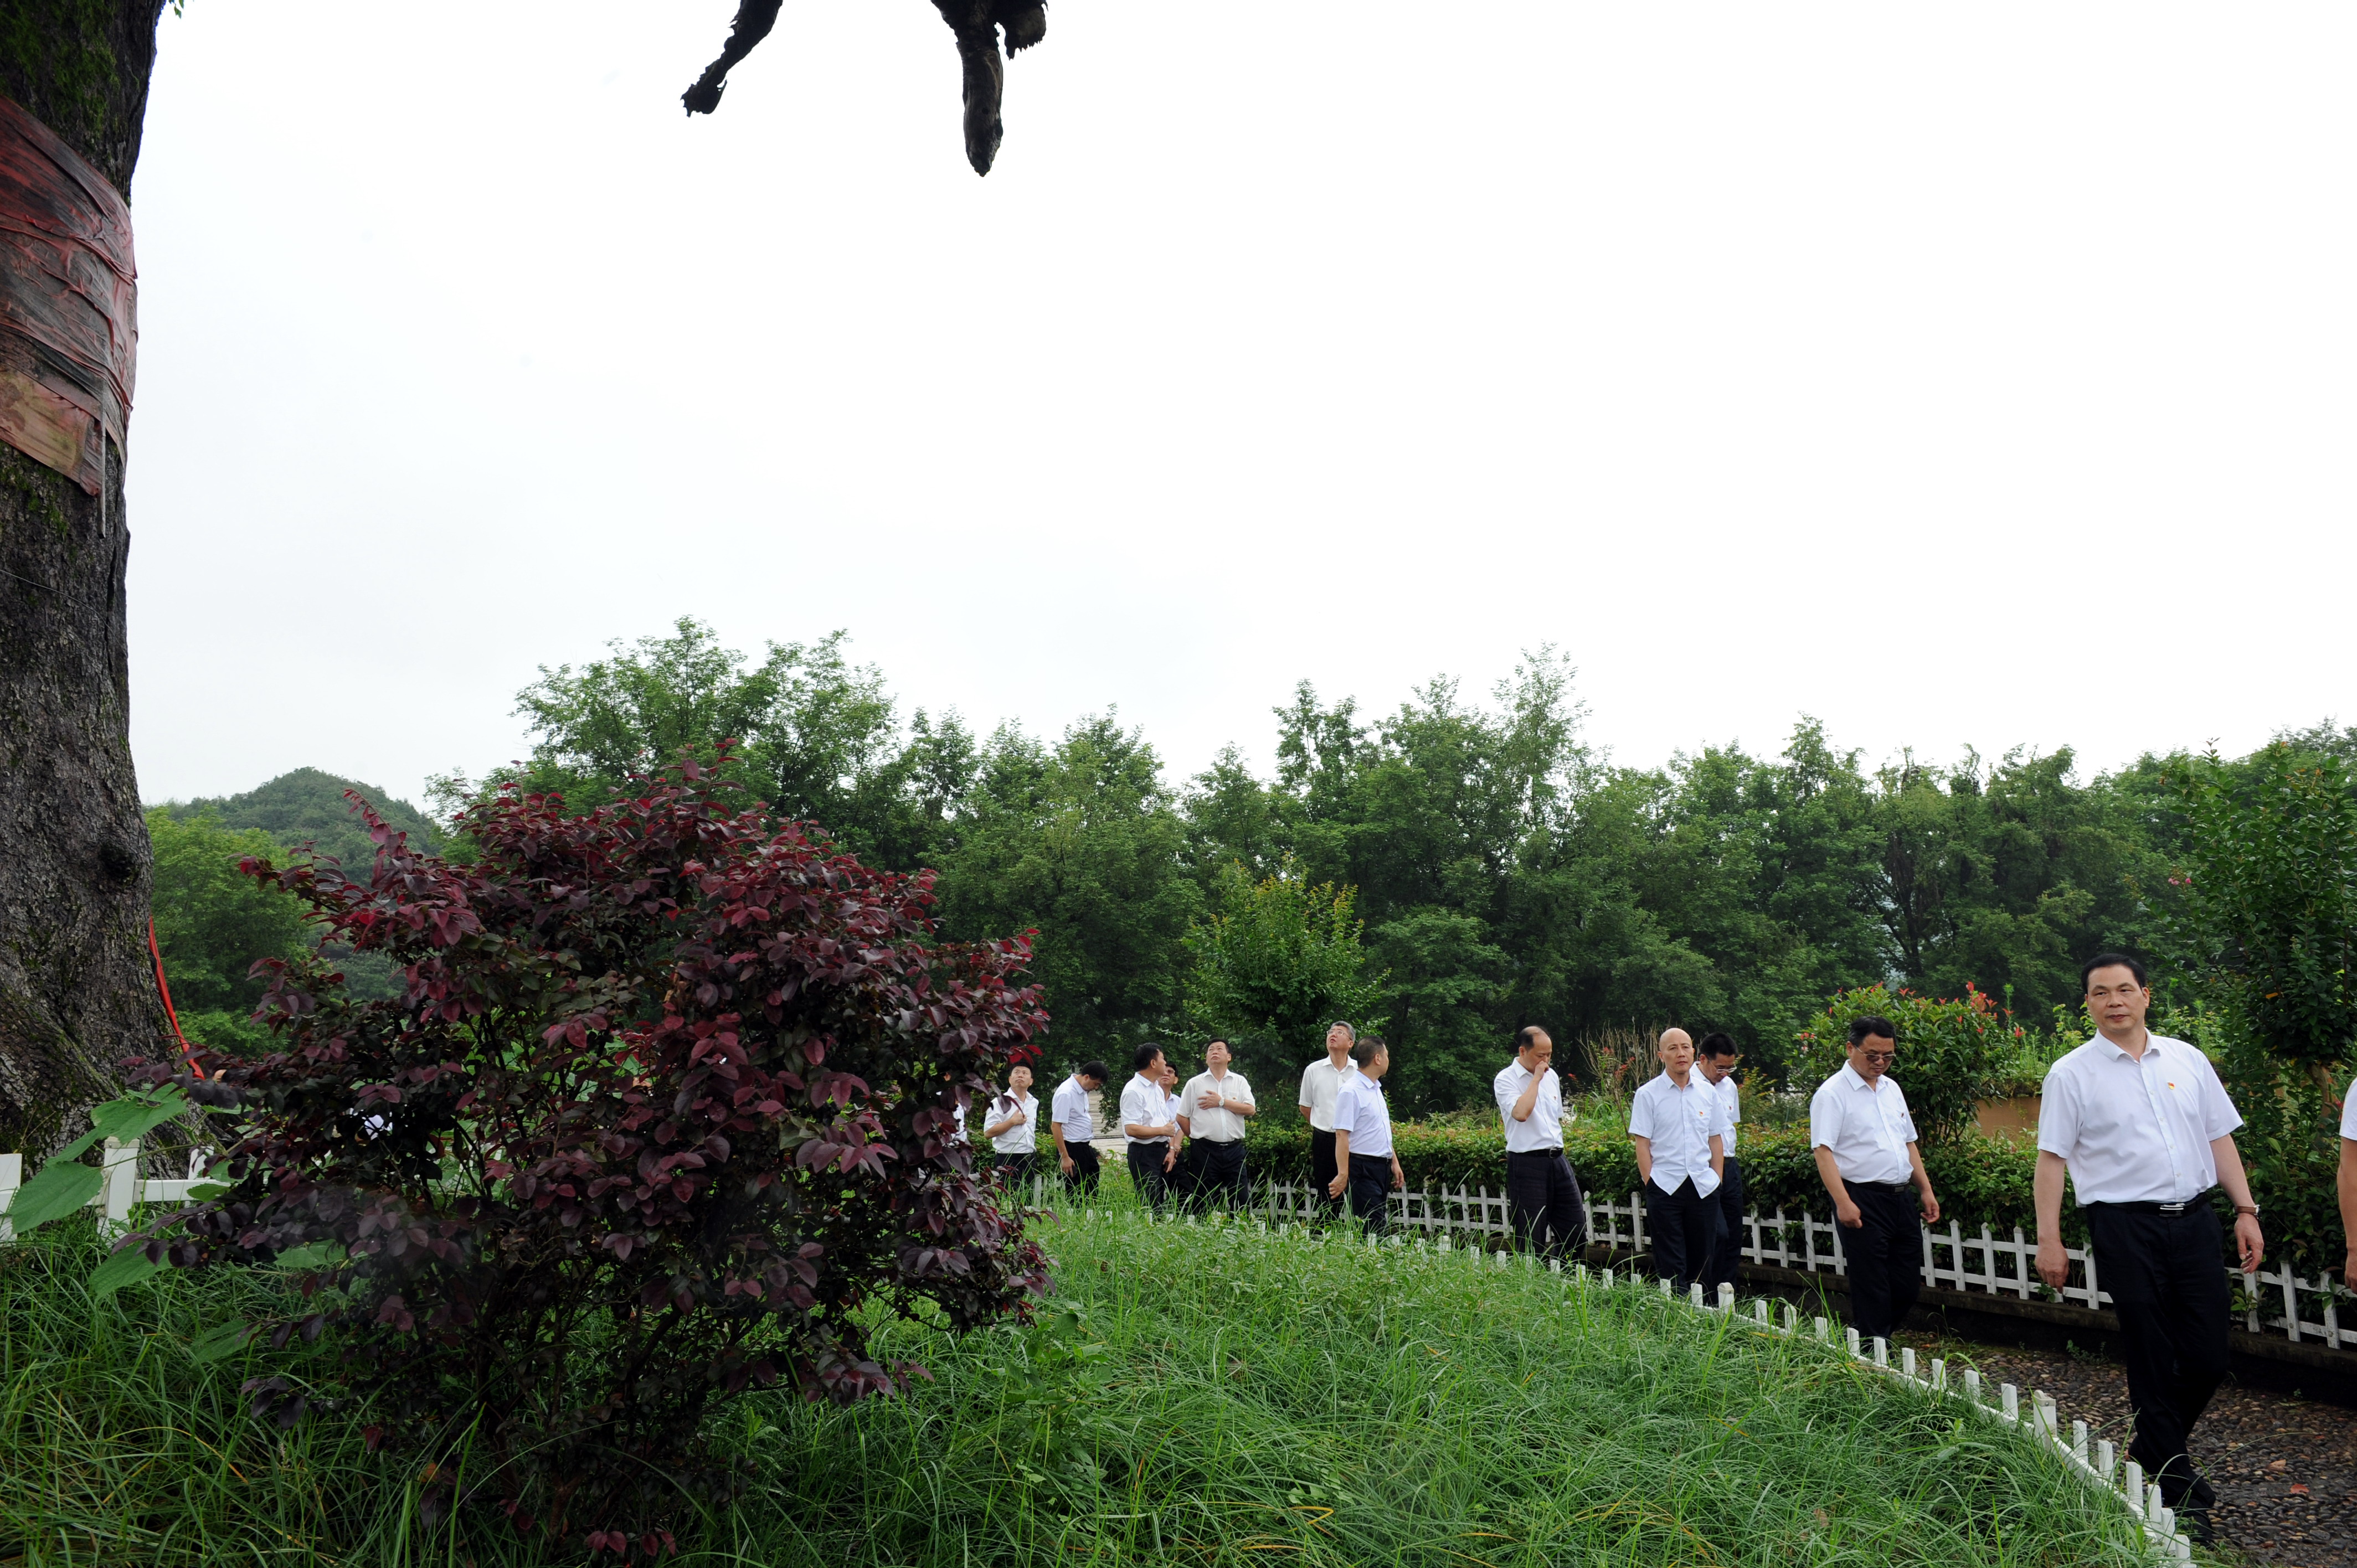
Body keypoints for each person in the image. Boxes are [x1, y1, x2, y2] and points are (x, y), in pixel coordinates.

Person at [2035, 954, 2263, 1543]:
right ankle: (2177, 1492)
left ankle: (2149, 1448)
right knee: (2150, 1352)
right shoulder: (2070, 1074)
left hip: (2192, 1221)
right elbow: (2050, 1161)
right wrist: (2049, 1240)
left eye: (2123, 990)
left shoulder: (2186, 1060)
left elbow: (2218, 1138)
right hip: (2121, 1226)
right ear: (2085, 1003)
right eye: (2098, 993)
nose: (2113, 1001)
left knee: (2209, 1355)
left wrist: (2243, 1209)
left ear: (2145, 996)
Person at [1810, 1016, 1941, 1347]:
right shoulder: (1832, 1094)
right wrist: (1843, 1202)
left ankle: (1864, 1340)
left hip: (1900, 1198)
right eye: (1872, 1055)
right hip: (1861, 1198)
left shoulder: (1891, 1089)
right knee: (1872, 1285)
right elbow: (1823, 1152)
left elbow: (1908, 1143)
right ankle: (1872, 1353)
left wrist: (1925, 1189)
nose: (1880, 1062)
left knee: (1907, 1285)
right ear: (1850, 1048)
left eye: (1888, 1056)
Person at [1627, 1027, 1728, 1293]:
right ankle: (1674, 1316)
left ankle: (1701, 1315)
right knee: (1671, 1261)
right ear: (1662, 1055)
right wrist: (1651, 1183)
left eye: (1685, 1047)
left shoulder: (1707, 1093)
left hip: (1703, 1186)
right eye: (1673, 1048)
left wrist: (1717, 1178)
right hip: (1665, 1185)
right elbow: (1642, 1143)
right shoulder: (1648, 1094)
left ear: (1694, 1052)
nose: (1680, 1053)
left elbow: (1716, 1139)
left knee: (1703, 1258)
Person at [1493, 1025, 1586, 1261]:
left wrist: (1543, 1074)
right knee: (1530, 1235)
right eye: (1540, 1056)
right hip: (1526, 1162)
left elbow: (1554, 1119)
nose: (1546, 1061)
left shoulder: (1552, 1077)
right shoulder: (1506, 1079)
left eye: (1549, 1055)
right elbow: (1521, 1113)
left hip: (1557, 1159)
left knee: (1575, 1230)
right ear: (1523, 1052)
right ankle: (1533, 1287)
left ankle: (1564, 1278)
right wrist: (1535, 1079)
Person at [1327, 1034, 1404, 1234]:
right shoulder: (1351, 1091)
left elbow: (1379, 1130)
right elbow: (1341, 1135)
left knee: (1375, 1223)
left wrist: (1393, 1161)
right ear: (1377, 1059)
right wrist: (1343, 1174)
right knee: (1374, 1228)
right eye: (1386, 1055)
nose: (1388, 1060)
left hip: (1382, 1166)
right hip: (1363, 1168)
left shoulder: (1376, 1089)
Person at [1178, 1038, 1255, 1209]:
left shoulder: (1239, 1081)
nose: (1215, 1052)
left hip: (1234, 1150)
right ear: (1206, 1058)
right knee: (1204, 1200)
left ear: (1229, 1057)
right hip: (1204, 1150)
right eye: (1211, 1050)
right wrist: (1195, 1137)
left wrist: (1221, 1102)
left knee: (1240, 1198)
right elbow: (1182, 1117)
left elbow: (1250, 1110)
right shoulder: (1194, 1084)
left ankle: (1239, 1232)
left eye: (1220, 1049)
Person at [1696, 1033, 1744, 1296]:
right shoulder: (1688, 1083)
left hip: (1730, 1162)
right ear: (1703, 1059)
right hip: (1702, 1165)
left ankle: (1727, 1296)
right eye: (1721, 1067)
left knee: (1734, 1234)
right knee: (1716, 1233)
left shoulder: (1729, 1087)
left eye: (1731, 1067)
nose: (1725, 1074)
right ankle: (1705, 1293)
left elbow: (1729, 1128)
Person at [1299, 1022, 1357, 1218]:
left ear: (1351, 1043)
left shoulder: (1360, 1071)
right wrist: (1323, 1125)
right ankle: (1327, 1236)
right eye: (1331, 1032)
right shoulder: (1313, 1070)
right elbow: (1305, 1107)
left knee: (1356, 1191)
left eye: (1340, 1033)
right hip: (1324, 1139)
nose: (1333, 1035)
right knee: (1327, 1192)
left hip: (1355, 1139)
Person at [1120, 1044, 1181, 1215]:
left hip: (1162, 1152)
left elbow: (1166, 1123)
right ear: (1153, 1063)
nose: (1165, 1063)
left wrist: (1171, 1148)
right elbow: (1131, 1129)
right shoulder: (1133, 1090)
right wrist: (1162, 1131)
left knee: (1173, 1197)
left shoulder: (1156, 1088)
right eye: (1163, 1059)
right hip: (1143, 1153)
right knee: (1151, 1205)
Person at [1050, 1060, 1109, 1195]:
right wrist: (1064, 1157)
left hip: (1084, 1146)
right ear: (1087, 1077)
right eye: (1096, 1084)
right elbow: (1056, 1126)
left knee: (1092, 1184)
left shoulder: (1081, 1091)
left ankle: (1090, 1214)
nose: (1095, 1088)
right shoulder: (1066, 1093)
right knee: (1076, 1191)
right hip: (1071, 1148)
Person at [985, 1063, 1039, 1189]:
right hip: (1007, 1159)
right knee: (1010, 1204)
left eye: (1025, 1073)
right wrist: (1012, 1122)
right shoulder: (999, 1102)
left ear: (1031, 1081)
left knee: (1027, 1204)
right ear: (1010, 1079)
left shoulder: (1034, 1102)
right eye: (1017, 1072)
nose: (1020, 1075)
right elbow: (988, 1133)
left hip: (1030, 1159)